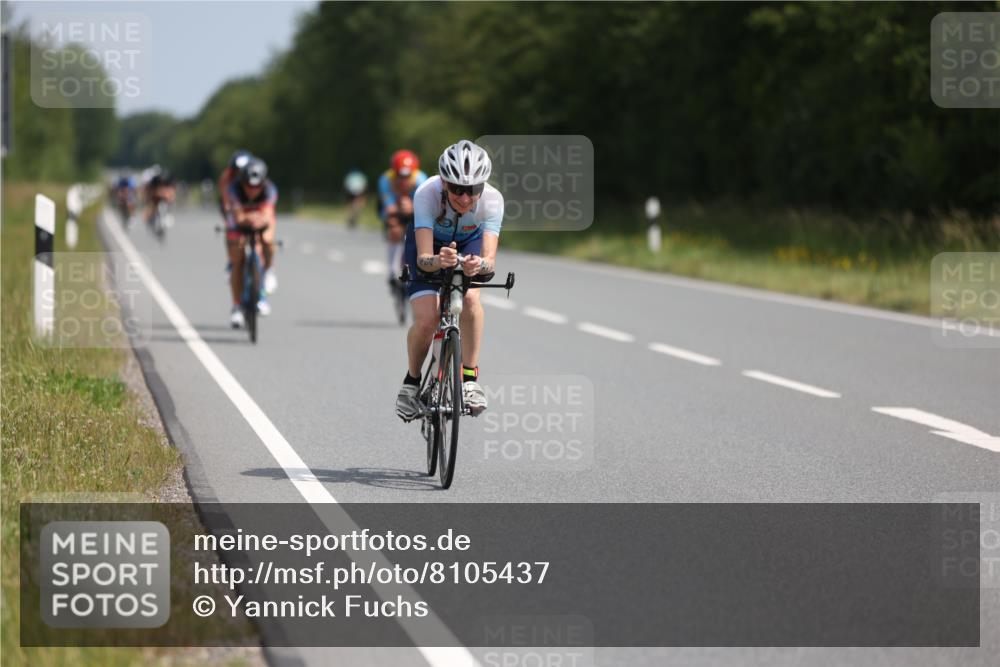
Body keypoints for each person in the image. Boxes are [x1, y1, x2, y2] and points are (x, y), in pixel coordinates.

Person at [395, 139, 503, 421]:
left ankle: (469, 379)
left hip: (469, 242)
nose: (465, 198)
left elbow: (489, 261)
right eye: (457, 189)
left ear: (483, 186)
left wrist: (477, 264)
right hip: (429, 247)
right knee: (428, 319)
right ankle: (411, 383)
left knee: (469, 299)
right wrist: (436, 261)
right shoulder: (425, 194)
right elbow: (422, 259)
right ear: (444, 183)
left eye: (472, 190)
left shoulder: (493, 200)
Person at [225, 158, 279, 327]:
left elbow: (267, 214)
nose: (252, 190)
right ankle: (236, 305)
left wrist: (259, 220)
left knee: (267, 241)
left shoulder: (269, 190)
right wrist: (249, 217)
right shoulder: (233, 189)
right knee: (237, 258)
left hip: (261, 220)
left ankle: (268, 272)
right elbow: (238, 217)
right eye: (249, 186)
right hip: (239, 222)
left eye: (257, 186)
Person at [377, 150, 427, 288]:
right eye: (399, 175)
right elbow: (389, 208)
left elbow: (426, 206)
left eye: (407, 176)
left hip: (414, 209)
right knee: (394, 229)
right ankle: (392, 271)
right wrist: (397, 210)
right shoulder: (385, 180)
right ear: (394, 172)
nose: (403, 180)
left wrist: (412, 208)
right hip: (395, 208)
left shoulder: (421, 180)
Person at [219, 150, 254, 283]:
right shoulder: (227, 177)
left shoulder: (255, 174)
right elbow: (226, 196)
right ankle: (231, 260)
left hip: (249, 205)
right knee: (231, 229)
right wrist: (229, 208)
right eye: (237, 170)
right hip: (233, 205)